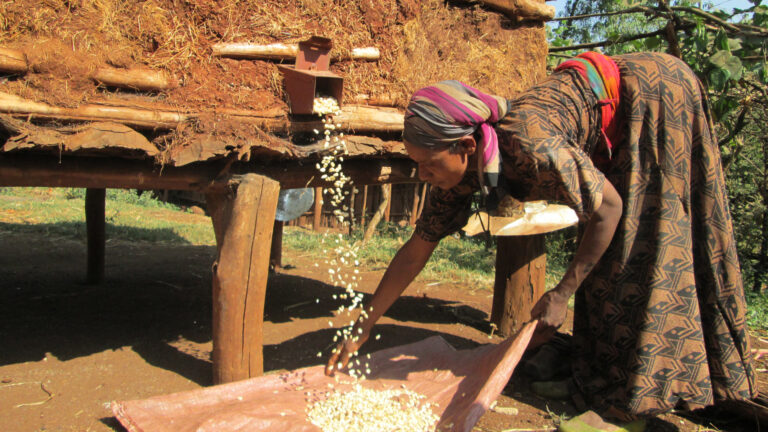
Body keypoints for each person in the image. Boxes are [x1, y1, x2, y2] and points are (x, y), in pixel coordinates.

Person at [325, 51, 756, 423]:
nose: (422, 174)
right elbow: (416, 249)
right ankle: (600, 377)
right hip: (620, 108)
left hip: (657, 94)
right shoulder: (454, 176)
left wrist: (562, 292)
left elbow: (609, 209)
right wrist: (365, 324)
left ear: (466, 147)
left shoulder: (529, 144)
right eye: (415, 163)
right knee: (604, 258)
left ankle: (640, 402)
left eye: (428, 163)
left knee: (639, 245)